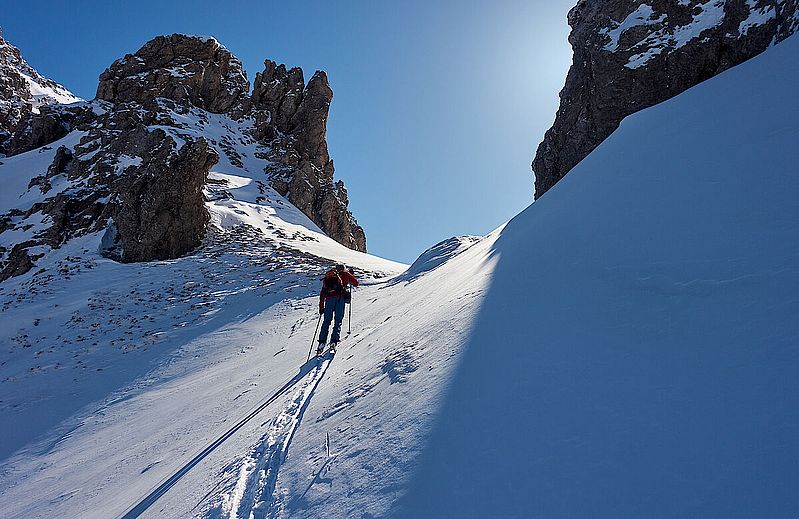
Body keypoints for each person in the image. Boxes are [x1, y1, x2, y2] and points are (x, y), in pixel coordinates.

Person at [317, 263, 359, 355]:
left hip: (328, 300)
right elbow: (356, 283)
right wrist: (350, 274)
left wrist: (321, 307)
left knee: (326, 321)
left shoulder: (329, 276)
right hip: (340, 299)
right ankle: (333, 342)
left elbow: (323, 292)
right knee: (338, 321)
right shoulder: (345, 274)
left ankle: (321, 342)